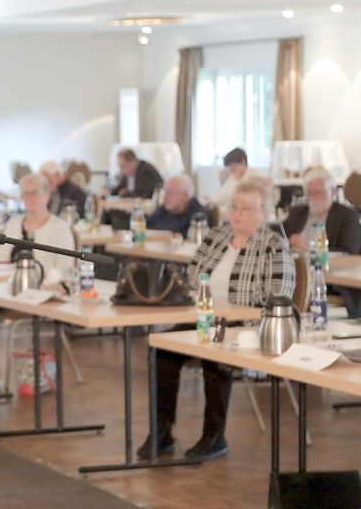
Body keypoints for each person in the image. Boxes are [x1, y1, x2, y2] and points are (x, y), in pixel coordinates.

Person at [140, 176, 294, 461]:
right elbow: (191, 277)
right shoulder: (217, 236)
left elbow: (278, 297)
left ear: (264, 212)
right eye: (234, 207)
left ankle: (215, 435)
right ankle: (162, 431)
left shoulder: (274, 245)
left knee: (215, 354)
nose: (237, 214)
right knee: (163, 349)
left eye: (246, 209)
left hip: (245, 325)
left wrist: (233, 315)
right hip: (206, 317)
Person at [0, 173, 75, 364]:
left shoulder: (60, 228)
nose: (30, 199)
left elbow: (64, 270)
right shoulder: (14, 224)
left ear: (47, 196)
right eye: (25, 194)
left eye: (35, 193)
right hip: (12, 289)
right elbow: (2, 259)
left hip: (43, 292)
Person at [283, 166, 361, 317]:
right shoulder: (298, 213)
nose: (313, 198)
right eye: (309, 193)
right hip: (294, 271)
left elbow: (349, 251)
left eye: (318, 192)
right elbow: (280, 235)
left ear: (332, 191)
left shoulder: (347, 216)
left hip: (329, 280)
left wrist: (311, 249)